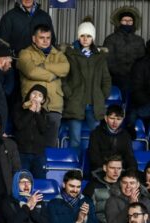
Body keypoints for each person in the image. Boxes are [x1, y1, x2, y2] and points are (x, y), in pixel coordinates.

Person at [17, 24, 69, 148]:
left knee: (50, 145)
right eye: (42, 38)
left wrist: (44, 66)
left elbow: (65, 68)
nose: (45, 41)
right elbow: (31, 71)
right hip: (32, 106)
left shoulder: (59, 54)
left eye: (48, 38)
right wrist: (52, 75)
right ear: (34, 39)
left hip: (53, 106)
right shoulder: (25, 53)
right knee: (32, 144)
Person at [63, 20, 111, 149]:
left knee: (97, 140)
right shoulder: (70, 54)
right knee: (75, 141)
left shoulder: (100, 57)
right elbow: (64, 78)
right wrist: (69, 94)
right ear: (78, 37)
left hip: (94, 104)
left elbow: (106, 79)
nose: (85, 39)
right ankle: (74, 169)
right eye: (82, 35)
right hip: (75, 102)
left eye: (89, 36)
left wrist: (102, 95)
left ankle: (93, 168)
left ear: (93, 38)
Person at [103, 7, 145, 94]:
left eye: (130, 20)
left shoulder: (139, 40)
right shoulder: (110, 39)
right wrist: (120, 74)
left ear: (133, 22)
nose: (127, 22)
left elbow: (142, 59)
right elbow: (108, 60)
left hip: (135, 78)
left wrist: (135, 74)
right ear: (119, 22)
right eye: (124, 20)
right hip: (115, 78)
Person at [87, 105, 136, 172]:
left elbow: (129, 157)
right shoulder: (95, 134)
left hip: (120, 171)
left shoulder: (126, 135)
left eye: (118, 119)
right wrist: (108, 169)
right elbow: (94, 158)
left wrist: (131, 171)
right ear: (106, 118)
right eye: (112, 118)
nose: (115, 122)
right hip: (101, 171)